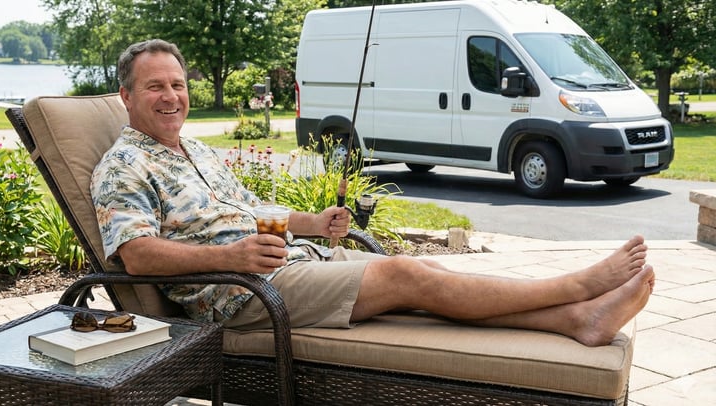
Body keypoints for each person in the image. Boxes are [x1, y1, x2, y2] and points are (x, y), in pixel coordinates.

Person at [91, 39, 655, 347]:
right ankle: (576, 285)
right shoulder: (123, 166)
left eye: (178, 84)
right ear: (126, 96)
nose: (171, 96)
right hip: (240, 295)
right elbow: (135, 255)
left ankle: (575, 320)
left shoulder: (197, 150)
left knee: (423, 283)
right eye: (155, 86)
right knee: (406, 275)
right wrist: (232, 258)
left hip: (287, 264)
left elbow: (250, 210)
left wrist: (313, 223)